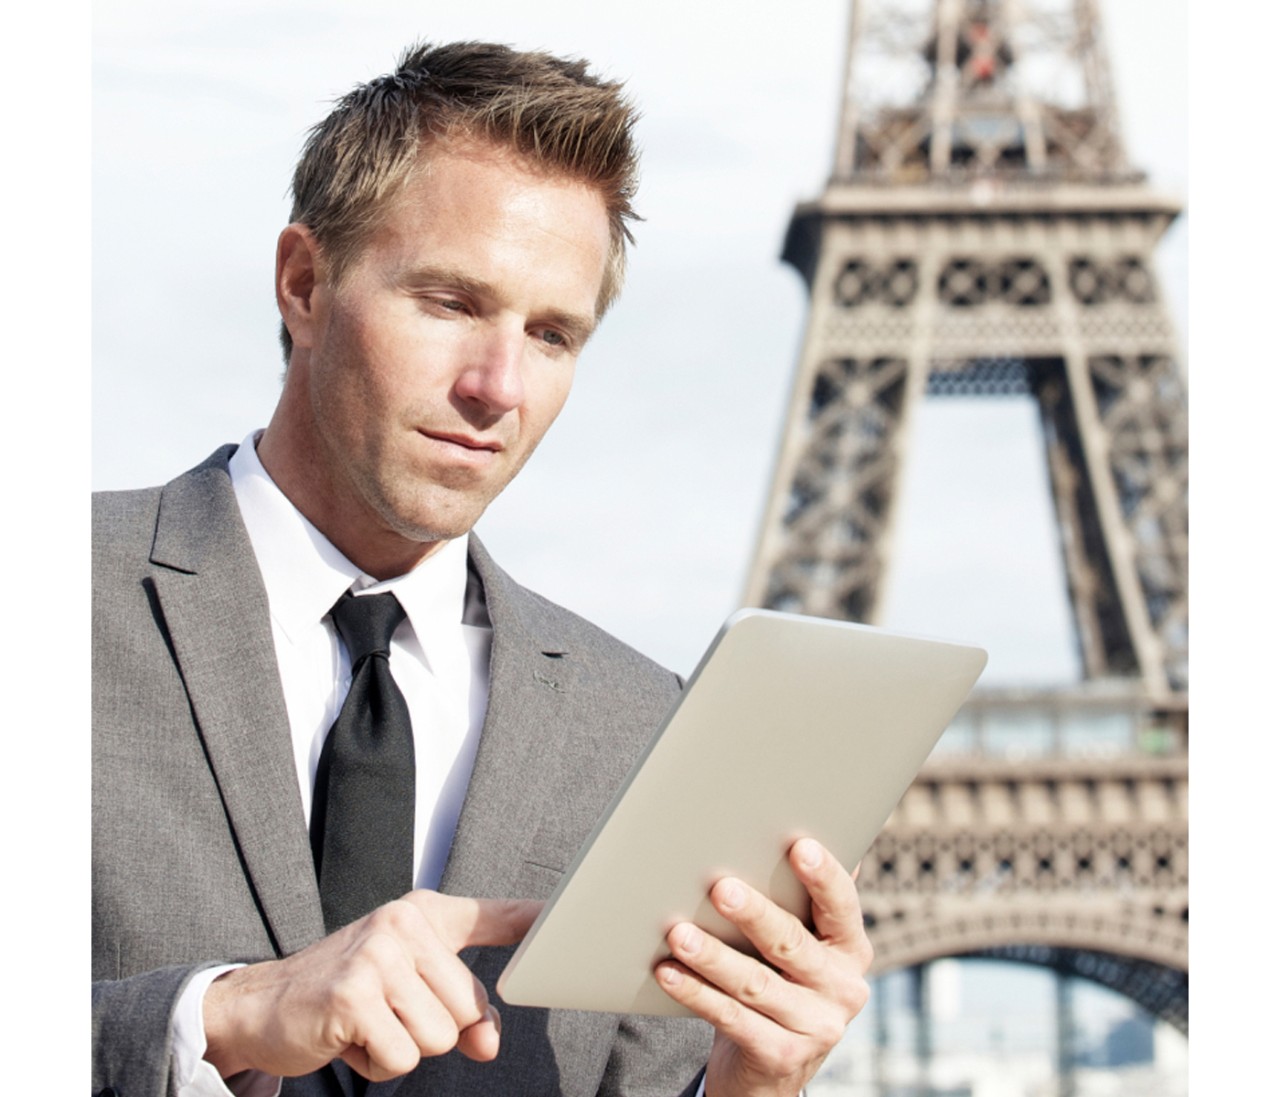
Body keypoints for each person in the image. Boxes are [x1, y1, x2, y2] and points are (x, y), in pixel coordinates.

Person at [92, 40, 873, 1097]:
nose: (498, 386)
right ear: (304, 282)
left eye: (552, 334)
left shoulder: (639, 725)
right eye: (452, 303)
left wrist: (750, 1082)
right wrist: (221, 1017)